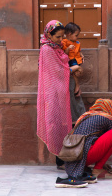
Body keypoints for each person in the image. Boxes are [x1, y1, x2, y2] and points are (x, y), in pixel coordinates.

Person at [37, 20, 81, 170]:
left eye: (62, 37)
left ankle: (63, 159)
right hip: (52, 93)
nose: (61, 40)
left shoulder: (56, 47)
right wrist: (73, 69)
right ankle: (60, 161)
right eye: (57, 37)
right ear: (49, 34)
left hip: (62, 91)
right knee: (55, 125)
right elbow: (57, 70)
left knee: (64, 125)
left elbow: (63, 61)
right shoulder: (47, 50)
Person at [58, 99, 112, 188]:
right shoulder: (107, 117)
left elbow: (93, 140)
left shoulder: (85, 116)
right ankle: (98, 170)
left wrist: (102, 161)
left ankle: (93, 167)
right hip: (86, 156)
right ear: (109, 108)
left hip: (72, 158)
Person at [61, 22, 86, 125]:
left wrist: (81, 54)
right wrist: (67, 49)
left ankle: (79, 119)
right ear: (69, 34)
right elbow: (64, 56)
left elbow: (78, 51)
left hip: (73, 66)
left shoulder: (77, 43)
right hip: (68, 67)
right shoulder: (63, 43)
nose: (77, 37)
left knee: (79, 72)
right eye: (76, 35)